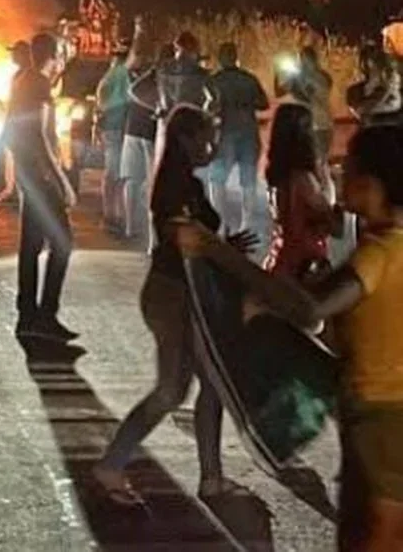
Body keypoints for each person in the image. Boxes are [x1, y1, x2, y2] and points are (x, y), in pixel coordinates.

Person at [174, 124, 403, 550]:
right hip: (374, 424)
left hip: (384, 427)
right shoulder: (384, 247)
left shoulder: (381, 253)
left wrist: (216, 252)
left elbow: (309, 311)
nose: (336, 177)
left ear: (371, 184)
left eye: (346, 170)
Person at [92, 105, 257, 506]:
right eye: (206, 137)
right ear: (185, 139)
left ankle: (211, 478)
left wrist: (222, 250)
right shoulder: (175, 188)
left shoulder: (183, 183)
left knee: (209, 384)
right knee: (171, 390)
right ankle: (112, 465)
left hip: (186, 294)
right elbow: (183, 240)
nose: (212, 146)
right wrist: (222, 253)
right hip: (172, 295)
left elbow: (194, 241)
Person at [8, 32, 79, 341]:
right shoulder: (37, 83)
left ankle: (28, 315)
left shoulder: (24, 80)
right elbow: (40, 135)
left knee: (32, 245)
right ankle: (45, 314)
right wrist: (60, 179)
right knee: (62, 242)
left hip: (28, 172)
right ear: (54, 55)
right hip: (40, 175)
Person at [262, 103, 343, 280]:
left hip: (282, 253)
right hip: (303, 259)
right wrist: (330, 184)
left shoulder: (278, 174)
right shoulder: (302, 179)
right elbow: (332, 224)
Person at [207, 42, 270, 232]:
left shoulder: (214, 80)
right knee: (248, 180)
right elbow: (263, 104)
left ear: (220, 59)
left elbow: (210, 107)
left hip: (225, 133)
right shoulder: (249, 79)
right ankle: (247, 224)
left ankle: (220, 221)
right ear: (237, 58)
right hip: (249, 133)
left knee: (217, 179)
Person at [120, 42, 168, 245]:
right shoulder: (166, 75)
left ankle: (131, 227)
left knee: (132, 180)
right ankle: (152, 238)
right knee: (153, 185)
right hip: (149, 133)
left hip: (132, 129)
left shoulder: (150, 73)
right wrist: (156, 107)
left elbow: (133, 91)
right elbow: (133, 91)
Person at [96, 43, 131, 234]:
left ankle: (112, 213)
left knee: (113, 173)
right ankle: (114, 215)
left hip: (111, 128)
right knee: (116, 174)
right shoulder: (121, 74)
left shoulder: (109, 76)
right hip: (117, 128)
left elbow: (101, 104)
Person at [278, 46, 334, 163]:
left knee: (320, 162)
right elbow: (280, 92)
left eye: (305, 59)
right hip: (307, 125)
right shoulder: (298, 77)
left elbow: (310, 96)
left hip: (320, 124)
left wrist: (297, 84)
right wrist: (279, 74)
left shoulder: (321, 77)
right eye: (301, 59)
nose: (302, 62)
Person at [0, 41, 32, 206]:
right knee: (13, 159)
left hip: (21, 127)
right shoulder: (19, 74)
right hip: (15, 125)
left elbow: (19, 104)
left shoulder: (28, 75)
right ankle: (13, 190)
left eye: (15, 52)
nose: (12, 56)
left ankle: (19, 193)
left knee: (20, 161)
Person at [157, 32, 215, 115]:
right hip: (195, 117)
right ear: (194, 50)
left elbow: (164, 101)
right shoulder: (201, 73)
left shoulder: (165, 72)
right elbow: (212, 99)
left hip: (173, 117)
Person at [347, 45, 402, 125]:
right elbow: (359, 110)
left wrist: (390, 90)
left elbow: (395, 105)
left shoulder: (391, 90)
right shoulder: (354, 91)